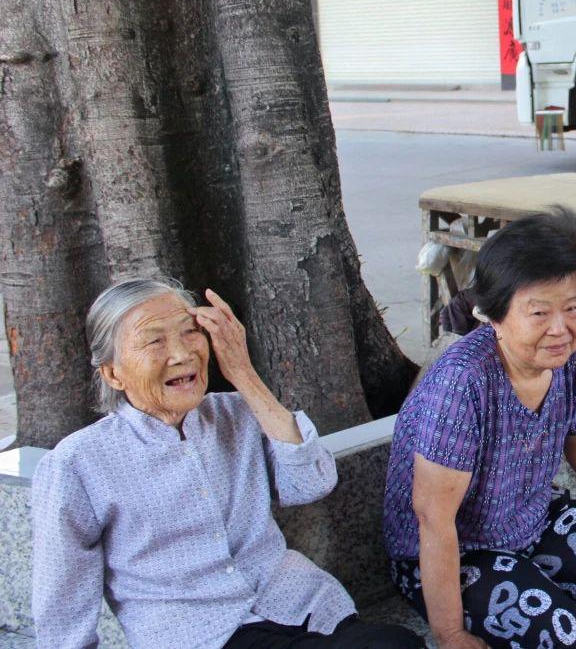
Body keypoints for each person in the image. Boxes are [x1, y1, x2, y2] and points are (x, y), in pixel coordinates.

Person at [30, 278, 420, 649]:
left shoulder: (239, 411)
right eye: (154, 341)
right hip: (201, 633)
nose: (182, 354)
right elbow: (62, 596)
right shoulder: (78, 463)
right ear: (113, 374)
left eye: (189, 332)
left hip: (300, 605)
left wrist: (244, 374)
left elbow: (313, 481)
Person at [382, 209, 576, 649]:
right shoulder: (462, 383)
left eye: (572, 308)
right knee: (561, 634)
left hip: (531, 519)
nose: (560, 329)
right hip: (457, 548)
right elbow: (434, 518)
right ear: (494, 315)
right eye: (539, 312)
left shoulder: (568, 357)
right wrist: (450, 634)